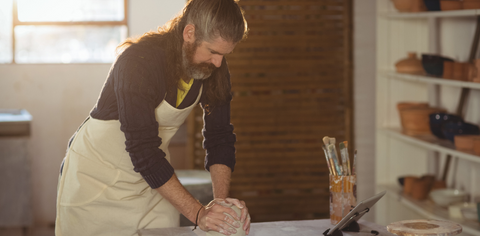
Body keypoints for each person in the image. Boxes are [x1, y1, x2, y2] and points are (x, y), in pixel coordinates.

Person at [55, 0, 250, 235]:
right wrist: (199, 214)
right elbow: (143, 149)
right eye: (213, 52)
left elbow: (219, 136)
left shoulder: (214, 67)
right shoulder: (137, 62)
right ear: (189, 33)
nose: (218, 62)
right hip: (97, 181)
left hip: (154, 183)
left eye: (224, 54)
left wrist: (221, 207)